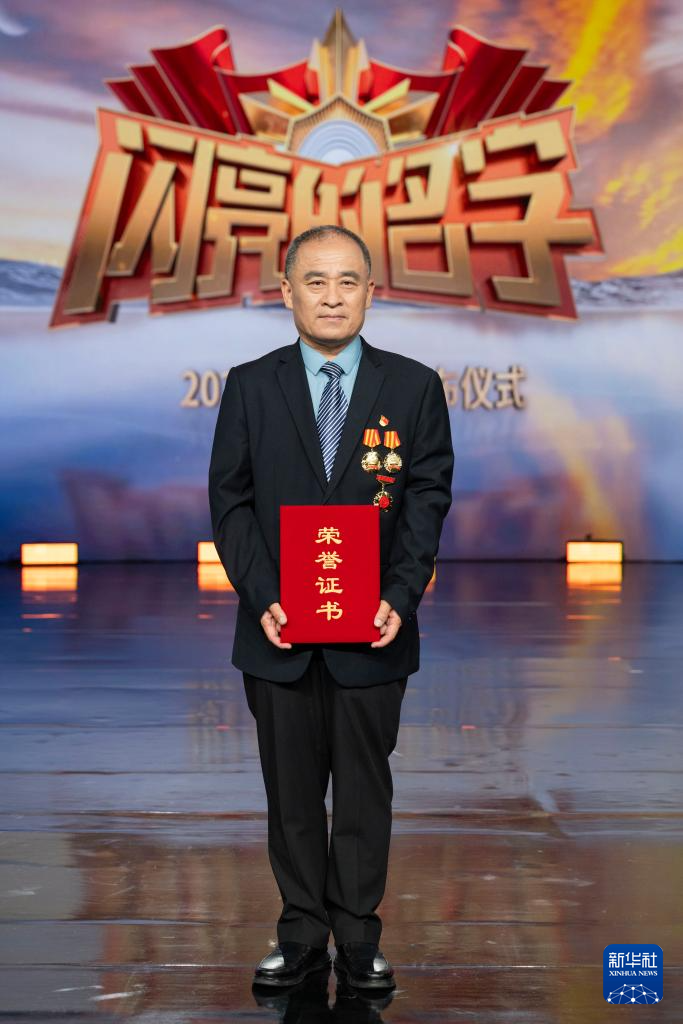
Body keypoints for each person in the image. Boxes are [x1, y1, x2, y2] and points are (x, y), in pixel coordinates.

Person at [208, 224, 454, 991]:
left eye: (348, 281)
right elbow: (230, 503)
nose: (332, 297)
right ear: (286, 292)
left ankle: (357, 938)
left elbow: (426, 500)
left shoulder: (413, 386)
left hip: (373, 630)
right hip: (277, 629)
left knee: (361, 793)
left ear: (371, 292)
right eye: (315, 281)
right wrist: (263, 596)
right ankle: (299, 936)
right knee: (289, 796)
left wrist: (399, 596)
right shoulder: (251, 385)